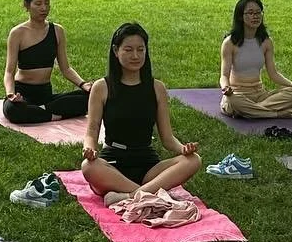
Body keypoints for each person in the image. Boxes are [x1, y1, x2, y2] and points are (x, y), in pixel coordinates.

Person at [80, 22, 201, 206]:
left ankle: (130, 196)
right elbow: (92, 130)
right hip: (113, 163)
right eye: (128, 50)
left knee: (193, 161)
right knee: (88, 167)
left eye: (140, 49)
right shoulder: (102, 87)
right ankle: (150, 193)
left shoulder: (156, 88)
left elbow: (167, 138)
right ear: (115, 50)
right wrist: (90, 149)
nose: (135, 56)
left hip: (147, 164)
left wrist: (183, 149)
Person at [3, 0, 90, 124]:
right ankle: (53, 113)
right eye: (38, 4)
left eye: (47, 3)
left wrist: (84, 84)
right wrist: (11, 95)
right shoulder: (17, 33)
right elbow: (9, 71)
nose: (44, 8)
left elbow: (66, 69)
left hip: (45, 94)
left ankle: (42, 111)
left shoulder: (57, 31)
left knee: (89, 98)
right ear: (27, 5)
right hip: (22, 94)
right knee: (13, 110)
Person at [219, 0, 292, 119]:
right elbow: (224, 75)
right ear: (240, 17)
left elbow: (273, 74)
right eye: (250, 13)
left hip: (260, 95)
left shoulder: (266, 42)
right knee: (233, 101)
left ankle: (251, 112)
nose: (255, 16)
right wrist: (226, 88)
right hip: (238, 94)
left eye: (258, 13)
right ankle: (274, 114)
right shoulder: (230, 42)